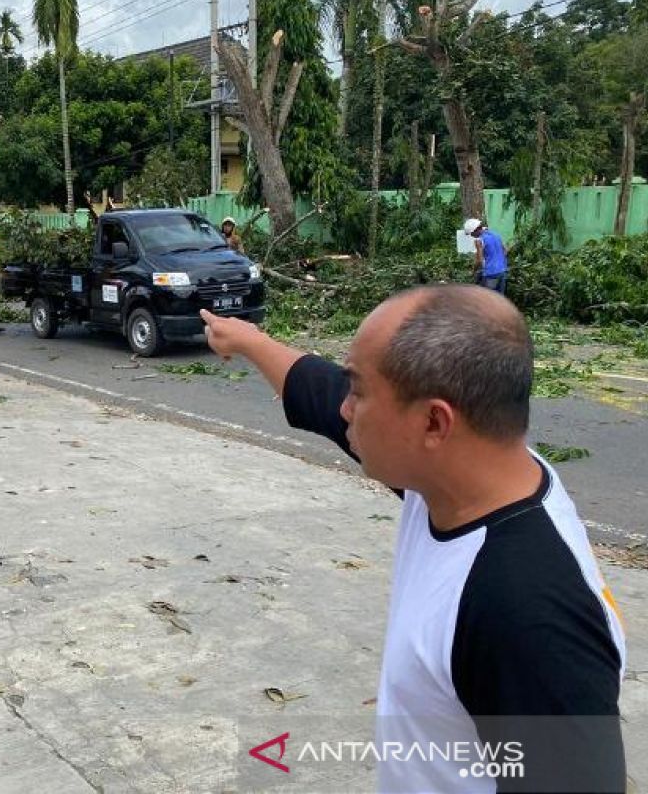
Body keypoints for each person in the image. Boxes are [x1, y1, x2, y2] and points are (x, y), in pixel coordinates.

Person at [201, 286, 625, 792]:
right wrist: (249, 341)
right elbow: (318, 393)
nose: (344, 409)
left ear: (433, 421)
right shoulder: (469, 472)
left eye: (358, 391)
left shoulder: (525, 613)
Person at [464, 217, 508, 294]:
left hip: (490, 274)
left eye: (471, 234)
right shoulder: (496, 234)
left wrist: (473, 272)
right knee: (499, 298)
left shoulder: (479, 240)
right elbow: (505, 250)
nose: (472, 236)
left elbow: (479, 260)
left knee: (488, 298)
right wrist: (498, 260)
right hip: (502, 271)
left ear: (475, 230)